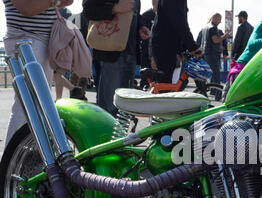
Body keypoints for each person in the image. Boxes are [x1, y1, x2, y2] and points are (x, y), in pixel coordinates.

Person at [2, 0, 73, 146]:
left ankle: (22, 160)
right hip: (27, 40)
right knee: (27, 106)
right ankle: (11, 164)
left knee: (33, 106)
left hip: (35, 40)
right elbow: (27, 7)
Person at [82, 0, 151, 116]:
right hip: (110, 54)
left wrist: (140, 27)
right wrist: (115, 8)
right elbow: (88, 9)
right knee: (110, 107)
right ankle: (107, 134)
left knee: (124, 108)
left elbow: (131, 14)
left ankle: (119, 133)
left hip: (130, 53)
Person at [151, 0, 202, 84]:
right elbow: (179, 22)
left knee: (166, 84)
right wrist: (193, 47)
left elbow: (176, 23)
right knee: (165, 85)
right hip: (165, 45)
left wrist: (181, 49)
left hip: (166, 43)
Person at [198, 13, 231, 101]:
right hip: (211, 54)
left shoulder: (205, 28)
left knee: (204, 75)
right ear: (214, 19)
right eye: (219, 19)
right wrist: (225, 36)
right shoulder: (212, 28)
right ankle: (218, 96)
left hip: (205, 54)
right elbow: (215, 40)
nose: (220, 21)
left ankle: (202, 92)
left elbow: (202, 41)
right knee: (216, 75)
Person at [139, 0, 158, 90]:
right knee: (145, 78)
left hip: (157, 54)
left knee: (155, 80)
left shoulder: (163, 16)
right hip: (146, 53)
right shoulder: (146, 16)